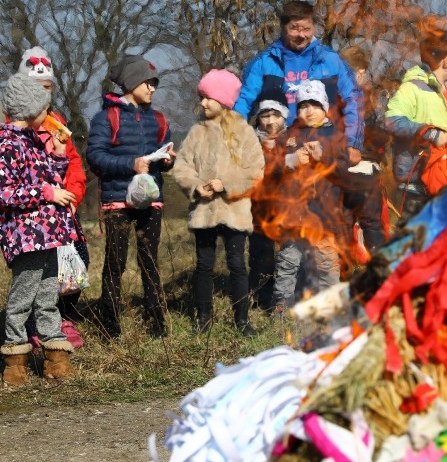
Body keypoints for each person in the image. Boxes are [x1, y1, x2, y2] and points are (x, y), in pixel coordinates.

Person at [86, 54, 177, 339]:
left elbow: (165, 150)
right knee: (116, 262)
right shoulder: (106, 118)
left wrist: (168, 160)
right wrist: (130, 164)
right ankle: (109, 323)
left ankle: (157, 321)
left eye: (154, 84)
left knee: (150, 259)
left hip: (151, 199)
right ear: (130, 83)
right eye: (147, 82)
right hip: (117, 201)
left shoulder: (159, 119)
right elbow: (95, 157)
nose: (152, 88)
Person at [172, 69, 264, 336]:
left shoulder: (244, 132)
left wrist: (227, 183)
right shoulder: (196, 132)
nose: (203, 103)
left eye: (208, 98)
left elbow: (255, 170)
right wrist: (195, 186)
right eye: (202, 97)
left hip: (234, 211)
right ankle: (203, 318)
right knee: (204, 265)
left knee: (237, 263)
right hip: (204, 211)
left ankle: (242, 320)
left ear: (223, 100)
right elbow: (182, 166)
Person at [1, 74, 78, 386]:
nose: (49, 114)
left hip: (48, 233)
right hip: (25, 235)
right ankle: (15, 362)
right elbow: (6, 193)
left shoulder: (34, 142)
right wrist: (46, 194)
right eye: (45, 108)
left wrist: (58, 155)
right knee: (22, 299)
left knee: (47, 296)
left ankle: (55, 355)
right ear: (30, 109)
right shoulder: (7, 145)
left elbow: (50, 179)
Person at [232, 0, 364, 166]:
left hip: (324, 149)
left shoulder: (331, 60)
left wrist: (353, 143)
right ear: (283, 27)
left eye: (306, 29)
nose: (301, 35)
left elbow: (353, 99)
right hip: (278, 152)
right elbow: (243, 103)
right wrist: (234, 142)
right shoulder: (264, 62)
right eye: (294, 28)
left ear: (314, 28)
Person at [17, 48, 87, 348]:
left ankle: (61, 315)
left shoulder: (56, 121)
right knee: (36, 272)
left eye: (48, 89)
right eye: (37, 89)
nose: (43, 96)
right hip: (31, 212)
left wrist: (73, 193)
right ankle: (32, 325)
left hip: (63, 207)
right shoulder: (14, 125)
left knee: (77, 261)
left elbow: (72, 160)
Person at [267, 80, 353, 313]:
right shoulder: (288, 137)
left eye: (315, 105)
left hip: (324, 213)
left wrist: (324, 157)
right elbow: (270, 169)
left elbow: (345, 171)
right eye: (304, 105)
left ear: (325, 107)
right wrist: (290, 161)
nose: (309, 111)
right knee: (288, 263)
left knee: (326, 265)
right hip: (293, 214)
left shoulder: (335, 135)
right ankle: (281, 310)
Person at [384, 29, 447, 221]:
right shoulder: (413, 88)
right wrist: (430, 133)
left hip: (444, 182)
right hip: (417, 184)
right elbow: (391, 120)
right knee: (415, 245)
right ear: (446, 60)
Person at [338, 46, 389, 253]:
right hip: (364, 169)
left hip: (340, 171)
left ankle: (339, 276)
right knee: (372, 226)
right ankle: (380, 275)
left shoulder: (332, 97)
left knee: (341, 228)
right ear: (360, 71)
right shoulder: (362, 98)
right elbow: (376, 134)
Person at [248, 89, 291, 313]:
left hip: (289, 209)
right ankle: (261, 299)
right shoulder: (251, 142)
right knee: (261, 257)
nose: (271, 121)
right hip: (259, 210)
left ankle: (286, 300)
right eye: (265, 115)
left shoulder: (294, 140)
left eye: (276, 115)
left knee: (289, 257)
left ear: (285, 116)